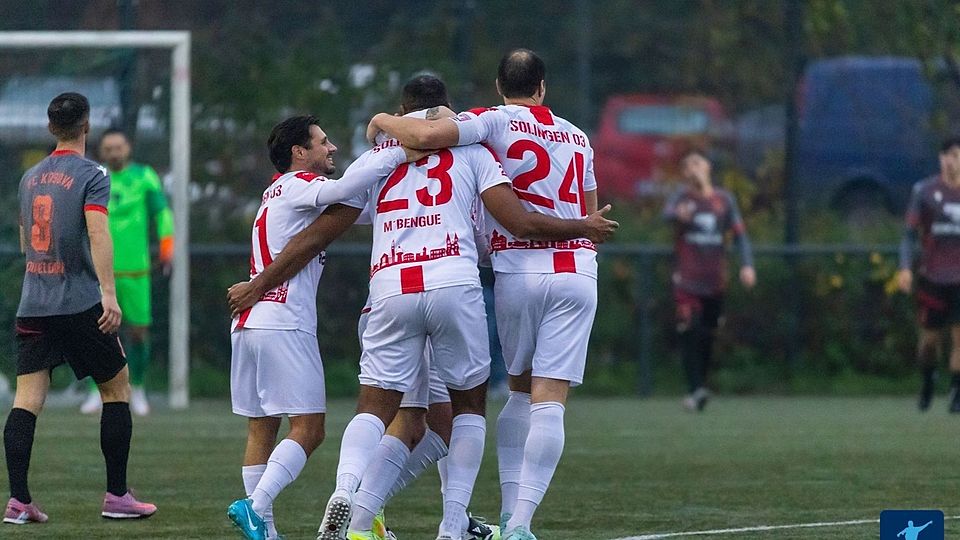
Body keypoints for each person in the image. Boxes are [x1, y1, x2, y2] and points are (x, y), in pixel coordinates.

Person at [366, 49, 609, 540]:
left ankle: (468, 515)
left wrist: (382, 119)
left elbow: (426, 135)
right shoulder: (579, 137)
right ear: (542, 87)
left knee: (518, 392)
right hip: (577, 270)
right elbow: (591, 213)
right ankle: (518, 523)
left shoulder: (491, 120)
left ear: (500, 87)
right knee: (550, 401)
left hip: (517, 270)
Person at [226, 115, 422, 540]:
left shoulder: (275, 192)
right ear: (299, 152)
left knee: (262, 426)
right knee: (310, 429)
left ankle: (265, 531)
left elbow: (353, 206)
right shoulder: (299, 184)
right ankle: (254, 507)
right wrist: (393, 149)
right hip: (284, 321)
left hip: (249, 323)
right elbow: (341, 190)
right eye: (323, 141)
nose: (331, 148)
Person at [4, 92, 156, 525]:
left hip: (34, 303)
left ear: (51, 128)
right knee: (117, 388)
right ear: (86, 126)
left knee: (26, 400)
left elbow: (25, 242)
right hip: (78, 302)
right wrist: (108, 293)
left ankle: (18, 501)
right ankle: (117, 496)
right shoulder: (93, 174)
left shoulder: (29, 178)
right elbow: (98, 233)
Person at [79, 128, 175, 416]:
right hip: (99, 271)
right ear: (101, 151)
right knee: (96, 333)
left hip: (136, 271)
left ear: (128, 148)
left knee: (138, 332)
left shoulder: (145, 176)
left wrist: (167, 247)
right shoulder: (94, 176)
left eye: (118, 147)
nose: (114, 152)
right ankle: (96, 391)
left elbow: (162, 213)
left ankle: (139, 389)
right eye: (108, 148)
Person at [663, 149, 755, 412]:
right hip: (687, 280)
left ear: (707, 167)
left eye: (698, 163)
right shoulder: (682, 198)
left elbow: (740, 236)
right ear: (684, 173)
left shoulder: (723, 200)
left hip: (714, 280)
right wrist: (677, 215)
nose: (694, 168)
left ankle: (700, 386)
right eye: (688, 165)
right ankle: (695, 389)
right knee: (689, 329)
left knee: (707, 333)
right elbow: (666, 214)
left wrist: (747, 265)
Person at [897, 136, 960, 412]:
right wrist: (904, 267)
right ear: (940, 158)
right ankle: (928, 379)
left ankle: (957, 393)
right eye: (949, 155)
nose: (953, 162)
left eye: (957, 156)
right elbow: (908, 235)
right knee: (929, 343)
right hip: (933, 277)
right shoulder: (924, 191)